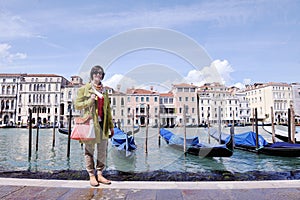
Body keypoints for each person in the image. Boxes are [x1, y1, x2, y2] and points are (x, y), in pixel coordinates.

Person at [75, 65, 114, 187]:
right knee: (89, 151)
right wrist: (90, 101)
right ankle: (91, 175)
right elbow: (77, 105)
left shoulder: (104, 91)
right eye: (96, 73)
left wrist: (111, 126)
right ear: (92, 75)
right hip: (91, 124)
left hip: (103, 124)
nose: (98, 76)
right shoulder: (84, 89)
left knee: (102, 151)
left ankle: (100, 174)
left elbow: (108, 110)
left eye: (100, 74)